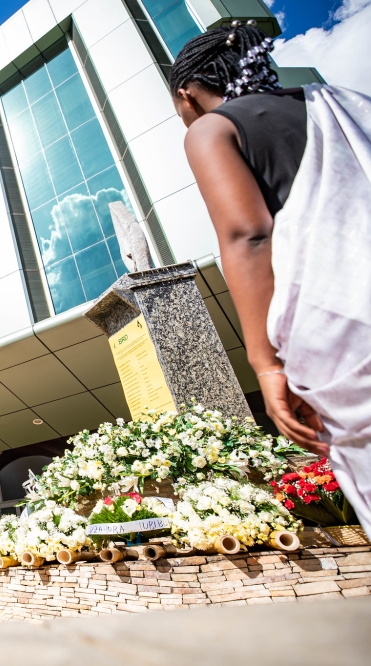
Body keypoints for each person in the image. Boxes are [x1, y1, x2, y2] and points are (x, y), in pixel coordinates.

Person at [170, 21, 371, 531]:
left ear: (187, 95)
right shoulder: (341, 100)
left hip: (344, 327)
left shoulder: (212, 130)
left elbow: (248, 235)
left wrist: (267, 364)